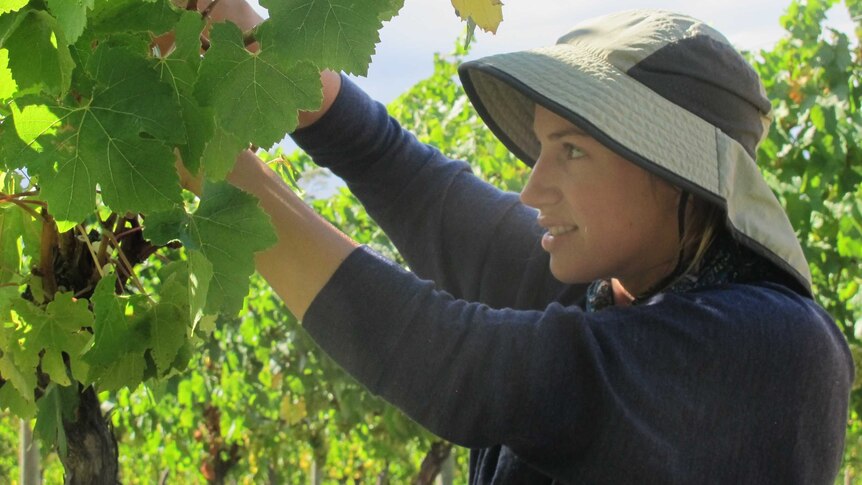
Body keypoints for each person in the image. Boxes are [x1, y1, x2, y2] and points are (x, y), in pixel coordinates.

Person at [181, 2, 853, 483]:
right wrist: (249, 38)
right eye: (541, 147)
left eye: (572, 151)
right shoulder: (605, 288)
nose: (533, 189)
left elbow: (457, 367)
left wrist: (226, 180)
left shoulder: (773, 347)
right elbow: (403, 174)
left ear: (674, 172)